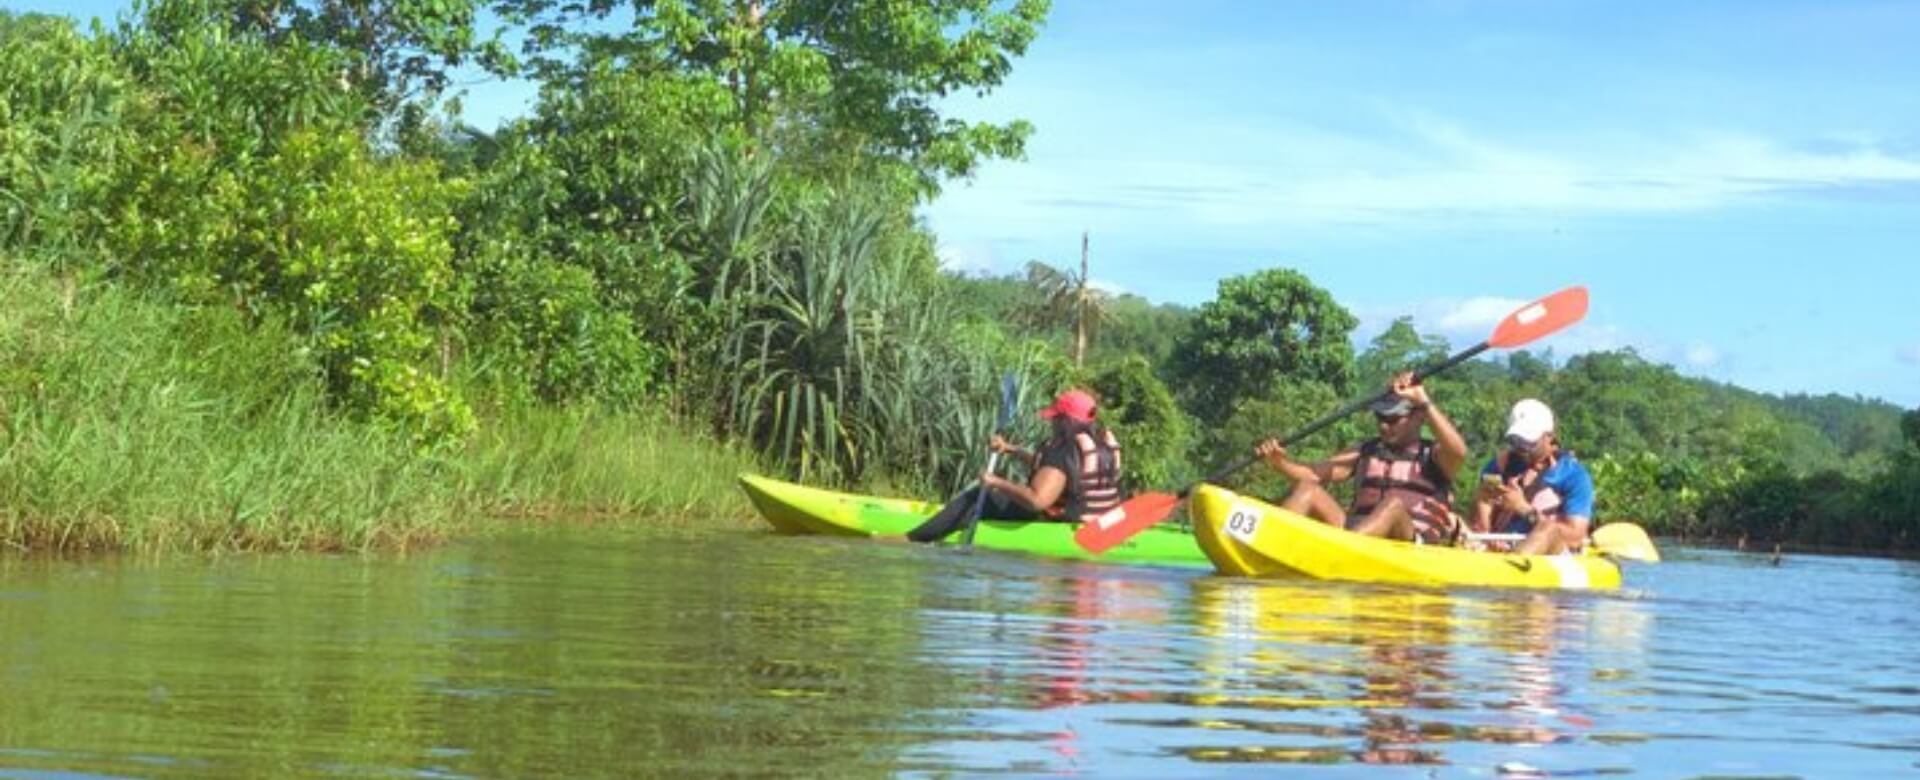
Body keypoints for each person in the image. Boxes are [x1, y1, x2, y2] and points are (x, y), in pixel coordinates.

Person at [1254, 372, 1468, 544]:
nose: (1384, 425)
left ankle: (1344, 552)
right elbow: (1313, 474)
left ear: (1418, 418)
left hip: (1409, 544)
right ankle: (1266, 544)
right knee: (1307, 489)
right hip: (1355, 533)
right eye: (1380, 417)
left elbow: (1459, 451)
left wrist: (1423, 401)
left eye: (1393, 419)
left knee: (1393, 505)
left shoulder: (1435, 455)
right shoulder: (1365, 451)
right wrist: (1279, 462)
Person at [900, 389, 1125, 543]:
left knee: (980, 496)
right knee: (991, 496)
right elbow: (1057, 473)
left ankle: (912, 539)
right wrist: (1012, 450)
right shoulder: (1100, 444)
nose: (1052, 422)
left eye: (1056, 418)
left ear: (1064, 420)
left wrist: (995, 481)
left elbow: (1038, 500)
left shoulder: (1063, 448)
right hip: (1098, 523)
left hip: (1065, 525)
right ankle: (944, 524)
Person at [1472, 399, 1595, 555]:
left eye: (1528, 441)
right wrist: (1484, 513)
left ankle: (1513, 564)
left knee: (1548, 528)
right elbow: (1479, 524)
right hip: (1502, 547)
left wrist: (1523, 509)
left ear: (1549, 437)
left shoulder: (1574, 475)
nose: (1521, 448)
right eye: (1516, 441)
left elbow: (1575, 536)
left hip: (1551, 554)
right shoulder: (1499, 466)